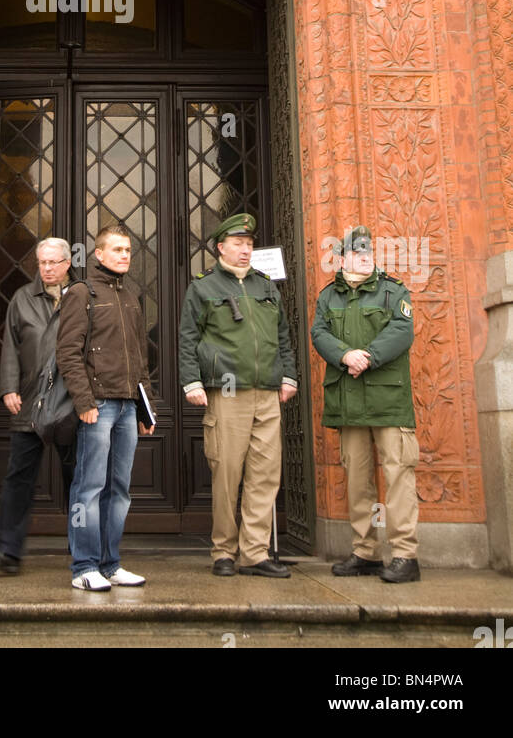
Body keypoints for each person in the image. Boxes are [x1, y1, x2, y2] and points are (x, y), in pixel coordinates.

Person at [179, 212, 298, 578]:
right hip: (227, 391)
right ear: (221, 248)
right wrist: (192, 381)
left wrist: (289, 375)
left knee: (265, 476)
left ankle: (255, 552)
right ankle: (223, 551)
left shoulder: (266, 286)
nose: (246, 250)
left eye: (249, 244)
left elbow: (282, 336)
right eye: (238, 244)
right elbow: (188, 338)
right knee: (227, 473)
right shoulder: (203, 287)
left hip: (267, 392)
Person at [311, 225, 421, 583]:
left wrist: (367, 357)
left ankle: (404, 553)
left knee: (397, 476)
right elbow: (319, 334)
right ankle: (366, 551)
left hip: (388, 401)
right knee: (360, 482)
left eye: (368, 254)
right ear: (341, 259)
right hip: (349, 403)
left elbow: (402, 331)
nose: (364, 259)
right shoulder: (328, 297)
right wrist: (344, 355)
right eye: (357, 254)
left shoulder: (393, 290)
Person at [56, 224, 154, 591]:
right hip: (97, 405)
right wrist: (84, 402)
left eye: (128, 250)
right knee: (88, 487)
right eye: (117, 250)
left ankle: (111, 564)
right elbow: (67, 352)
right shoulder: (81, 292)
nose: (124, 255)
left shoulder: (130, 297)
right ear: (99, 254)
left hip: (128, 406)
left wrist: (147, 410)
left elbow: (140, 359)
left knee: (120, 489)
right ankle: (83, 566)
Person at [0, 237, 79, 576]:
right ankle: (8, 552)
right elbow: (10, 348)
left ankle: (83, 549)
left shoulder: (81, 296)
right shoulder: (22, 298)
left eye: (53, 263)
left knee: (77, 478)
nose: (47, 269)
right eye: (42, 263)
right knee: (18, 476)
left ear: (67, 264)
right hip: (30, 400)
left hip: (69, 400)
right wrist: (8, 387)